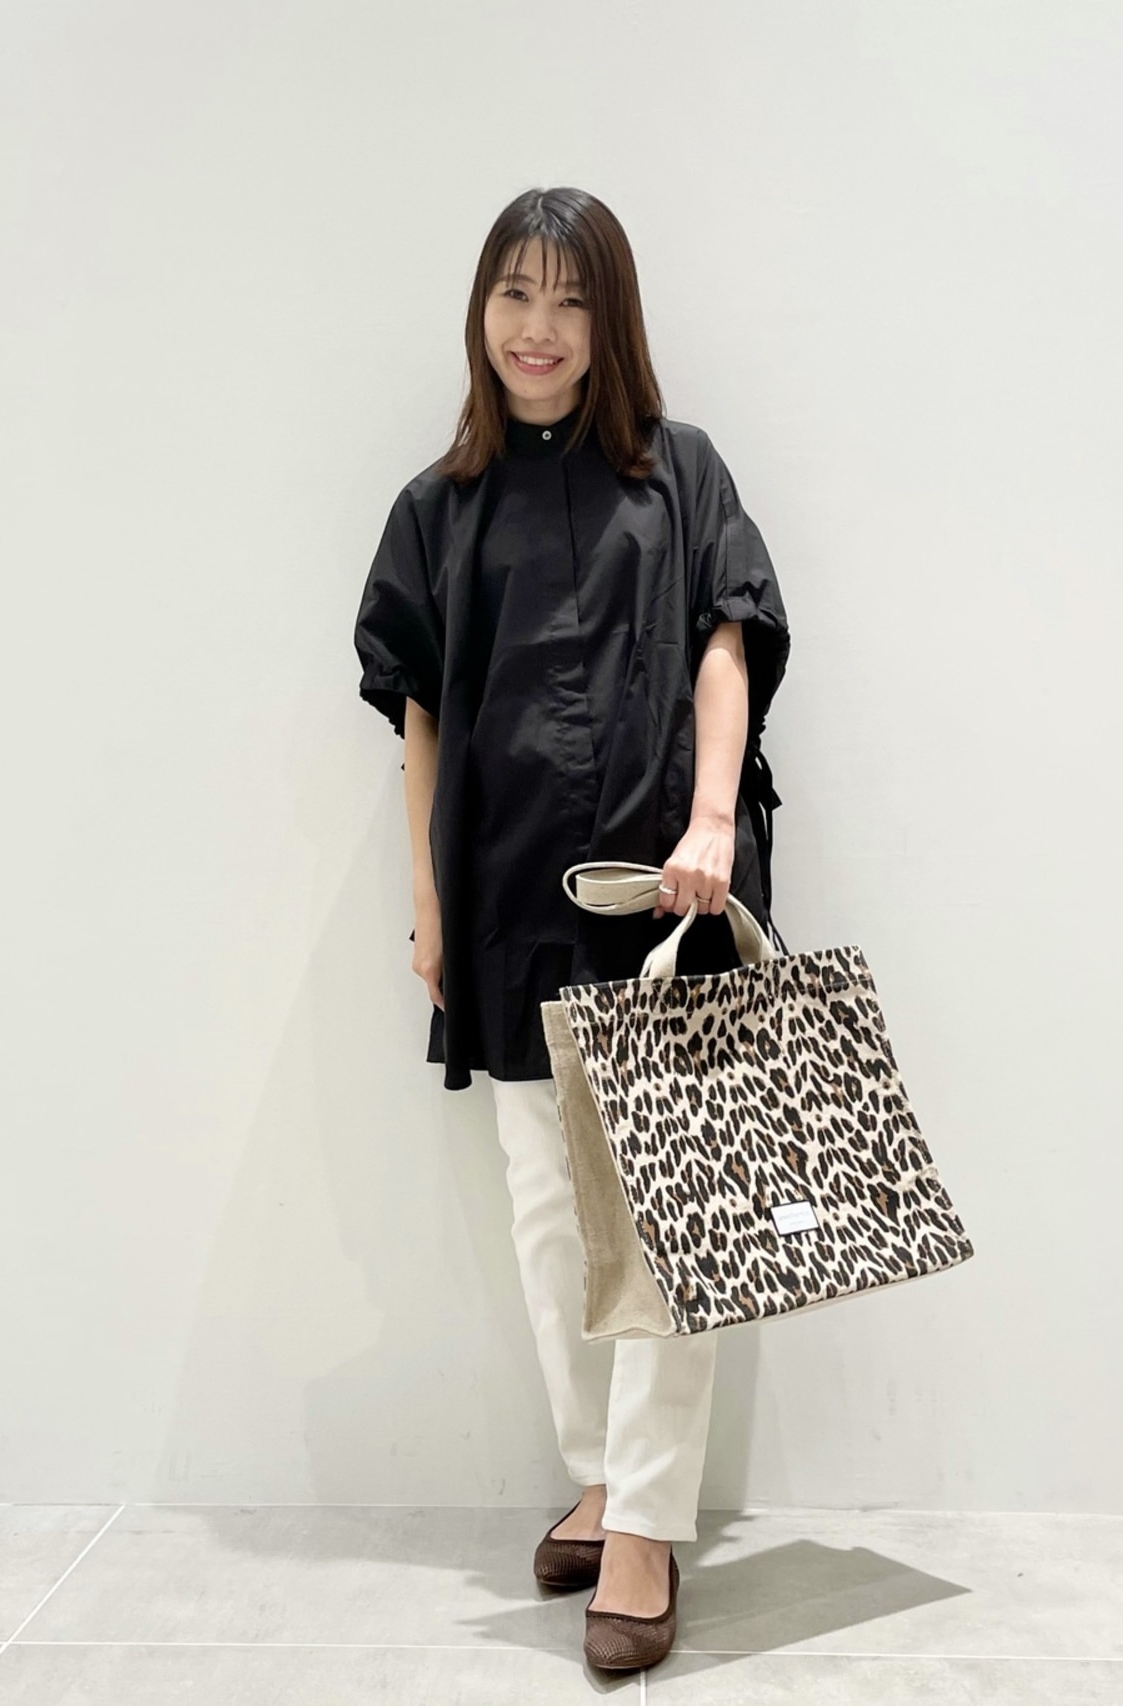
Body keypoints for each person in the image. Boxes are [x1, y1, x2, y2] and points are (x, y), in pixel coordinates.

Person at [353, 186, 790, 1671]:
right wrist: (426, 904)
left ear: (613, 321)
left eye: (570, 300)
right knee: (552, 1221)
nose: (538, 329)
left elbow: (727, 637)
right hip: (504, 903)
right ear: (482, 311)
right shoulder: (437, 507)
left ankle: (649, 1523)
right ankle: (602, 1473)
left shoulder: (682, 473)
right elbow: (420, 715)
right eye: (515, 295)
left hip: (673, 901)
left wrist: (713, 820)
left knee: (671, 1209)